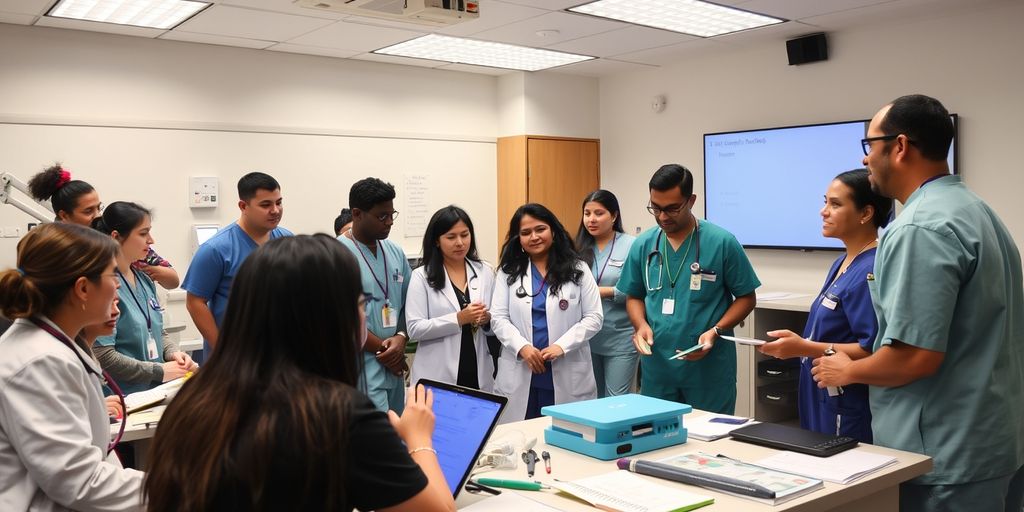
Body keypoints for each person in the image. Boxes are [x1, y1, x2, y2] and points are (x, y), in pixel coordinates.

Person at [813, 95, 1024, 512]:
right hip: (993, 437)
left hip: (945, 453)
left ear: (900, 147)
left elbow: (914, 358)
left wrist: (849, 369)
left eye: (869, 146)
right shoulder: (976, 211)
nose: (868, 159)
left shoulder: (919, 227)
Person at [144, 235, 456, 512]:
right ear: (327, 317)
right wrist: (418, 438)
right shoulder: (338, 415)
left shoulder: (196, 398)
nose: (364, 317)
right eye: (361, 304)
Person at [0, 223, 144, 510]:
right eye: (112, 275)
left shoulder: (55, 347)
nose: (118, 285)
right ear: (82, 288)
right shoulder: (40, 361)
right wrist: (179, 490)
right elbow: (78, 481)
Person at [759, 169, 892, 442]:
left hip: (845, 400)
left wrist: (803, 347)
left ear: (865, 213)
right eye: (825, 202)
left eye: (835, 204)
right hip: (820, 393)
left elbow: (871, 349)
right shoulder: (841, 263)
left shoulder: (870, 270)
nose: (823, 211)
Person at [617, 164, 760, 414]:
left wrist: (716, 330)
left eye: (672, 208)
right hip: (658, 365)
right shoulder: (644, 245)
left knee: (710, 444)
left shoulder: (721, 242)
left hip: (708, 369)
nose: (662, 216)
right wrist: (640, 325)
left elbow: (747, 298)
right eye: (656, 208)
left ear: (691, 200)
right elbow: (634, 295)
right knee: (658, 438)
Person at [490, 203, 602, 422]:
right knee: (520, 438)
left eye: (540, 229)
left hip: (566, 368)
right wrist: (522, 347)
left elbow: (594, 317)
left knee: (566, 438)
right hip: (523, 369)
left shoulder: (578, 269)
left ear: (553, 231)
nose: (534, 237)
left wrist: (562, 346)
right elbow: (498, 318)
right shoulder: (508, 272)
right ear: (518, 238)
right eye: (525, 233)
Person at [182, 172, 292, 360]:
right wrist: (222, 350)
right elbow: (195, 302)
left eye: (279, 202)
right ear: (243, 206)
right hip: (235, 358)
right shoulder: (215, 249)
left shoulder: (287, 240)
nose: (275, 210)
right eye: (266, 204)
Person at [93, 202, 196, 394]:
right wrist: (160, 370)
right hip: (121, 397)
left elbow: (158, 332)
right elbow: (103, 354)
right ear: (116, 237)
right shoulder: (103, 285)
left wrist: (173, 353)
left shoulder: (144, 279)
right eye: (143, 233)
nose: (151, 240)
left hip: (153, 391)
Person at [28, 163, 179, 289]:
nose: (97, 215)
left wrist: (155, 271)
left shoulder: (105, 233)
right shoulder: (54, 248)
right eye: (88, 211)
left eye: (98, 208)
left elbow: (171, 278)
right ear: (64, 215)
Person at [338, 178, 412, 413]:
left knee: (398, 433)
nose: (389, 222)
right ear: (357, 214)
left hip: (394, 364)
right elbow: (341, 319)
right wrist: (386, 351)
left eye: (392, 214)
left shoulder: (394, 251)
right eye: (382, 216)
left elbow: (411, 303)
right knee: (375, 438)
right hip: (364, 365)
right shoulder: (337, 254)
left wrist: (401, 337)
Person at [407, 206, 496, 391]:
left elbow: (498, 318)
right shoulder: (421, 276)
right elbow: (415, 329)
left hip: (478, 369)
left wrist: (487, 319)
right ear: (437, 241)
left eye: (465, 235)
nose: (460, 243)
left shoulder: (485, 271)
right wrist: (459, 318)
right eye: (451, 237)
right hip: (437, 373)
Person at [574, 190, 638, 397]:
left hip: (620, 336)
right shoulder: (577, 248)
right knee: (591, 398)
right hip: (587, 338)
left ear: (614, 216)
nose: (591, 219)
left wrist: (604, 292)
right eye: (587, 213)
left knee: (616, 400)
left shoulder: (632, 245)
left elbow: (639, 290)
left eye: (599, 213)